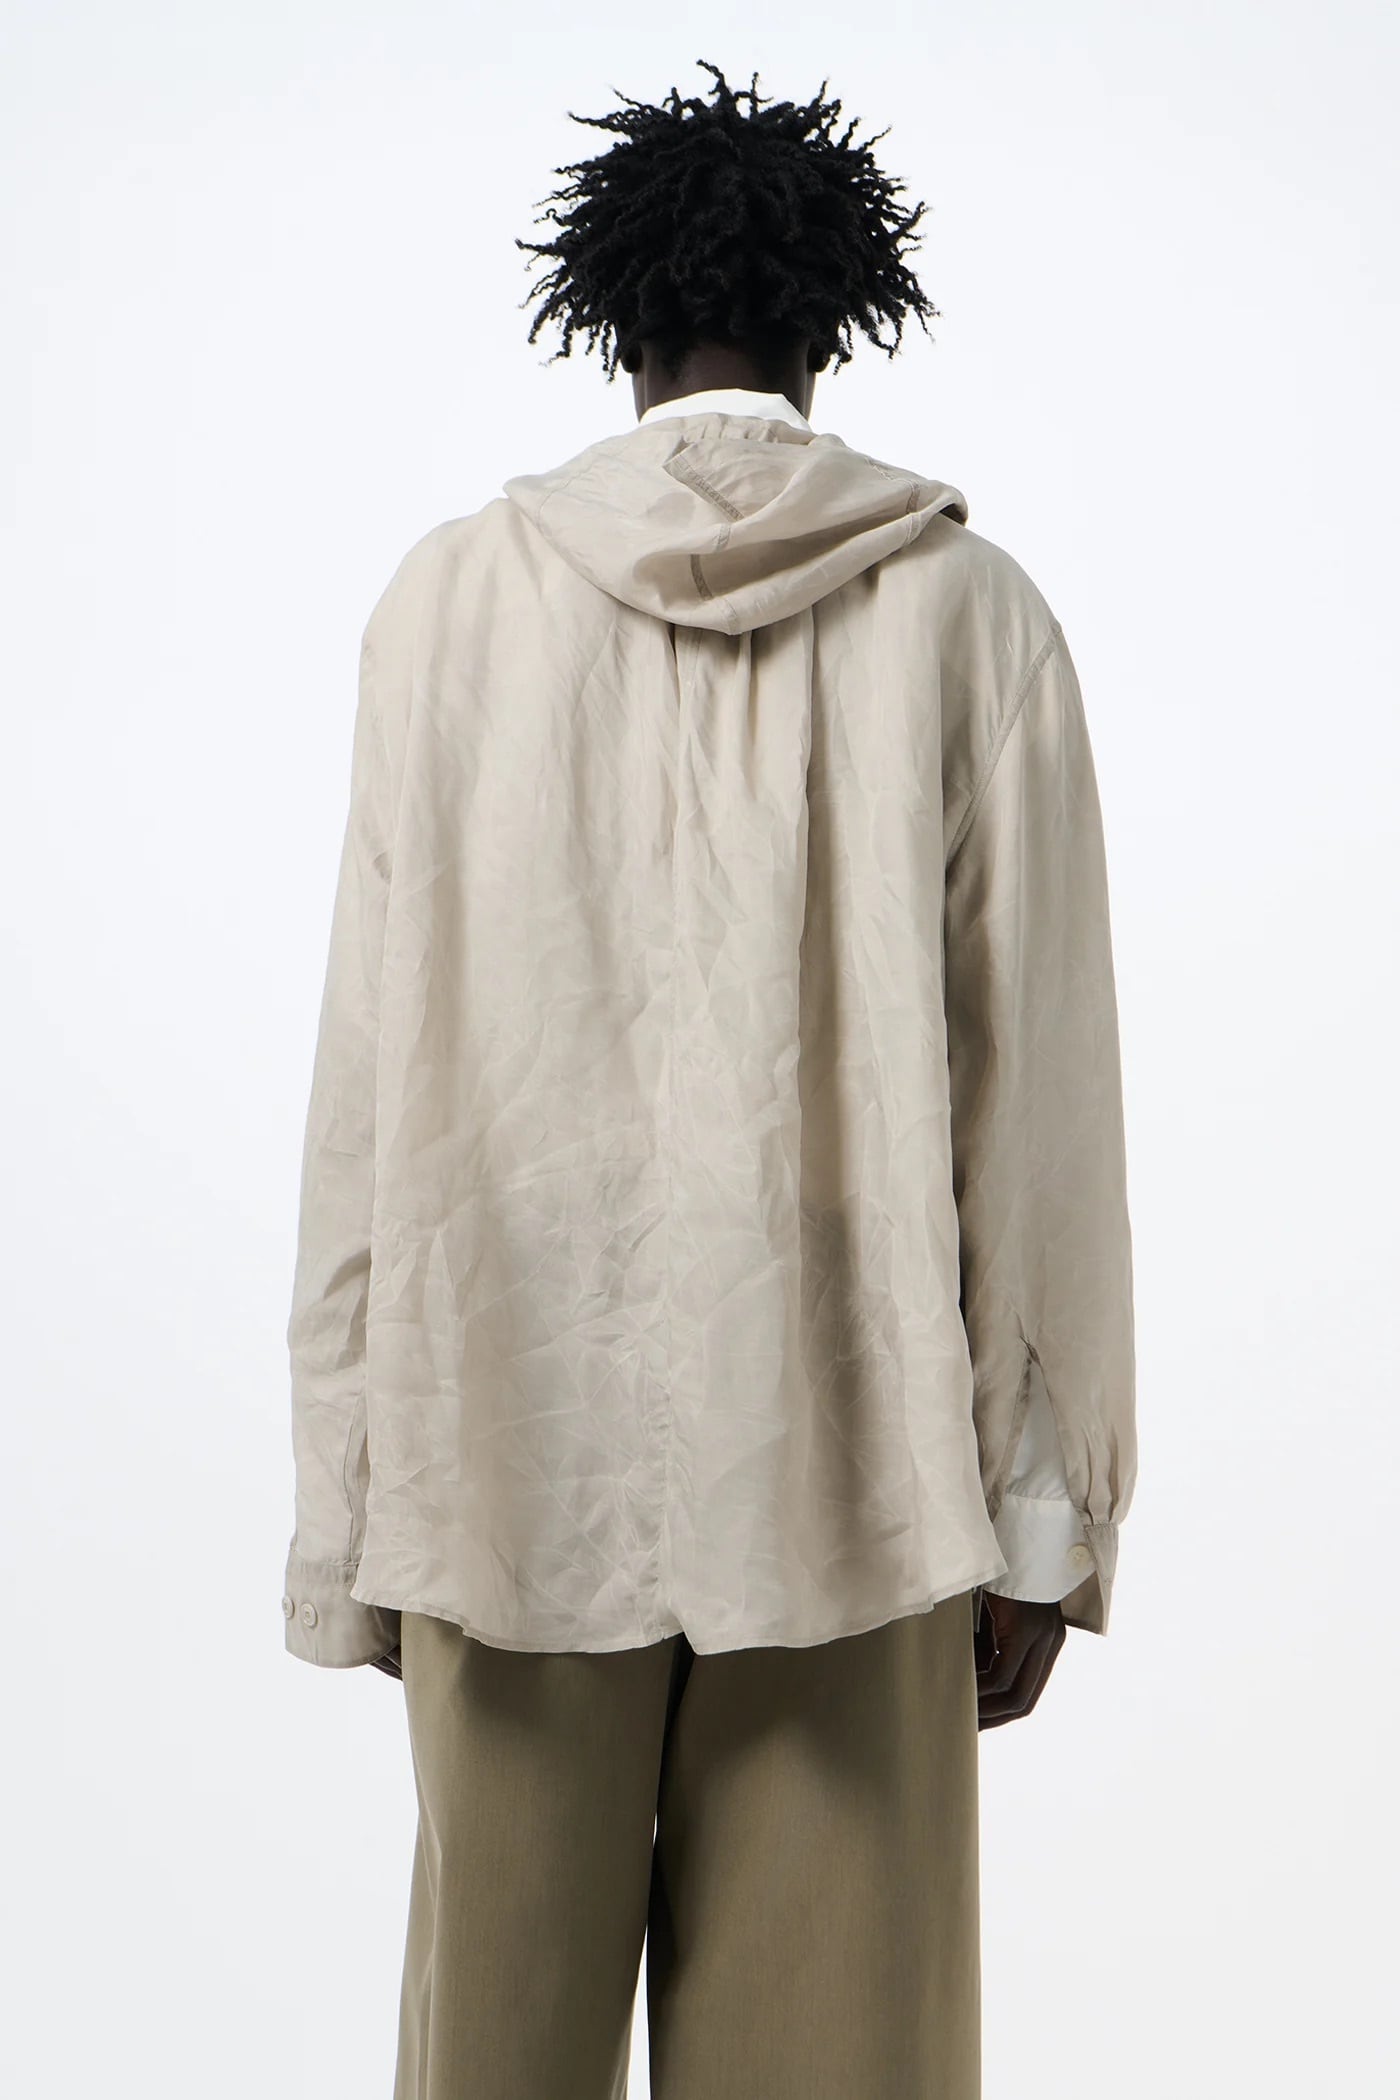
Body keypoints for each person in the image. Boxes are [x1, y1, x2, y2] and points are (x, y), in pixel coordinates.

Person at [278, 58, 1136, 2100]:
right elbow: (1040, 1109)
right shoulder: (970, 614)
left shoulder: (446, 610)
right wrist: (1040, 1514)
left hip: (506, 1453)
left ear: (616, 324)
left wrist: (354, 1498)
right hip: (859, 1471)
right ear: (839, 322)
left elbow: (366, 1079)